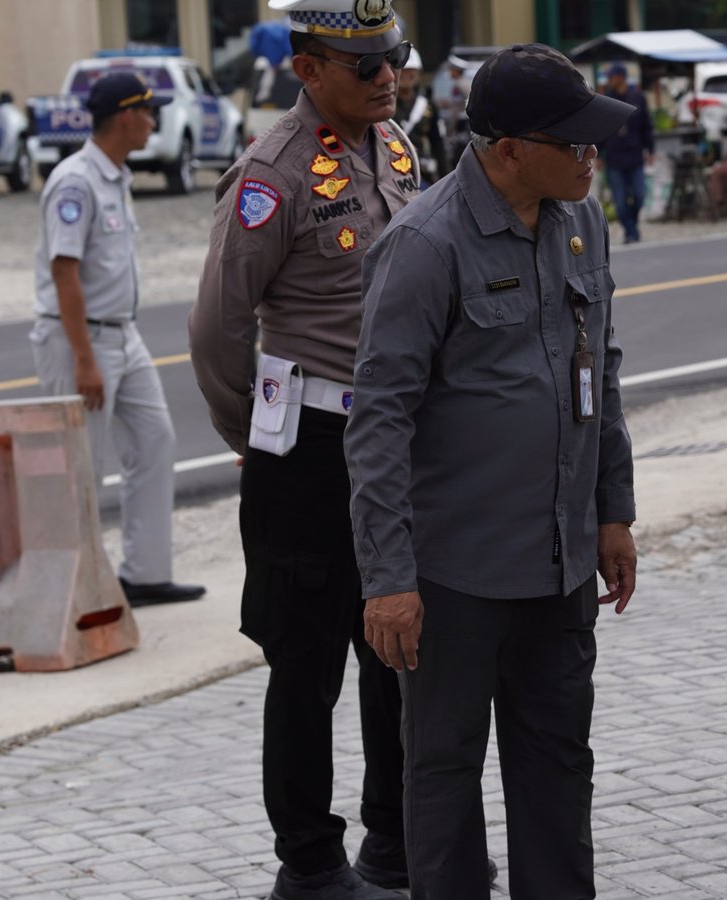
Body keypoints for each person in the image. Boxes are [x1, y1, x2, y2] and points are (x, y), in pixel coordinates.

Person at [345, 42, 638, 899]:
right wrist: (388, 578)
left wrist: (612, 511)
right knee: (442, 777)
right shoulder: (424, 244)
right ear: (507, 149)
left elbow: (602, 374)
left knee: (558, 766)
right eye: (573, 143)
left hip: (559, 558)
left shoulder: (581, 219)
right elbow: (378, 421)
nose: (592, 157)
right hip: (452, 576)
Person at [187, 1, 439, 897]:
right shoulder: (272, 174)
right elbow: (219, 328)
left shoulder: (398, 147)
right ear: (306, 70)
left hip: (394, 442)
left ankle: (395, 838)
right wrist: (250, 441)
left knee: (397, 646)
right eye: (364, 65)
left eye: (395, 59)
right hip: (310, 445)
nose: (387, 78)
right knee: (307, 665)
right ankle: (309, 861)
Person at [29, 72, 206, 609]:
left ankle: (145, 574)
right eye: (149, 112)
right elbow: (65, 273)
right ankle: (69, 588)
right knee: (81, 464)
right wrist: (84, 360)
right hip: (79, 340)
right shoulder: (76, 182)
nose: (154, 121)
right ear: (126, 115)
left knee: (156, 441)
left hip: (122, 335)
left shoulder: (114, 177)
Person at [598, 61, 654, 244]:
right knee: (620, 202)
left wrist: (650, 149)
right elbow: (601, 130)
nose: (609, 81)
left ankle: (632, 227)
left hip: (635, 155)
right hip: (614, 158)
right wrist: (598, 154)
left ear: (620, 77)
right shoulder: (606, 99)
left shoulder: (637, 97)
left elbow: (647, 126)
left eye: (611, 77)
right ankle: (631, 232)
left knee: (639, 195)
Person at [393, 46, 441, 182]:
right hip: (393, 170)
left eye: (411, 71)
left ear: (419, 73)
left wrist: (446, 175)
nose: (407, 75)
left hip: (423, 171)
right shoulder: (385, 104)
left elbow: (437, 143)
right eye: (403, 70)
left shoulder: (428, 104)